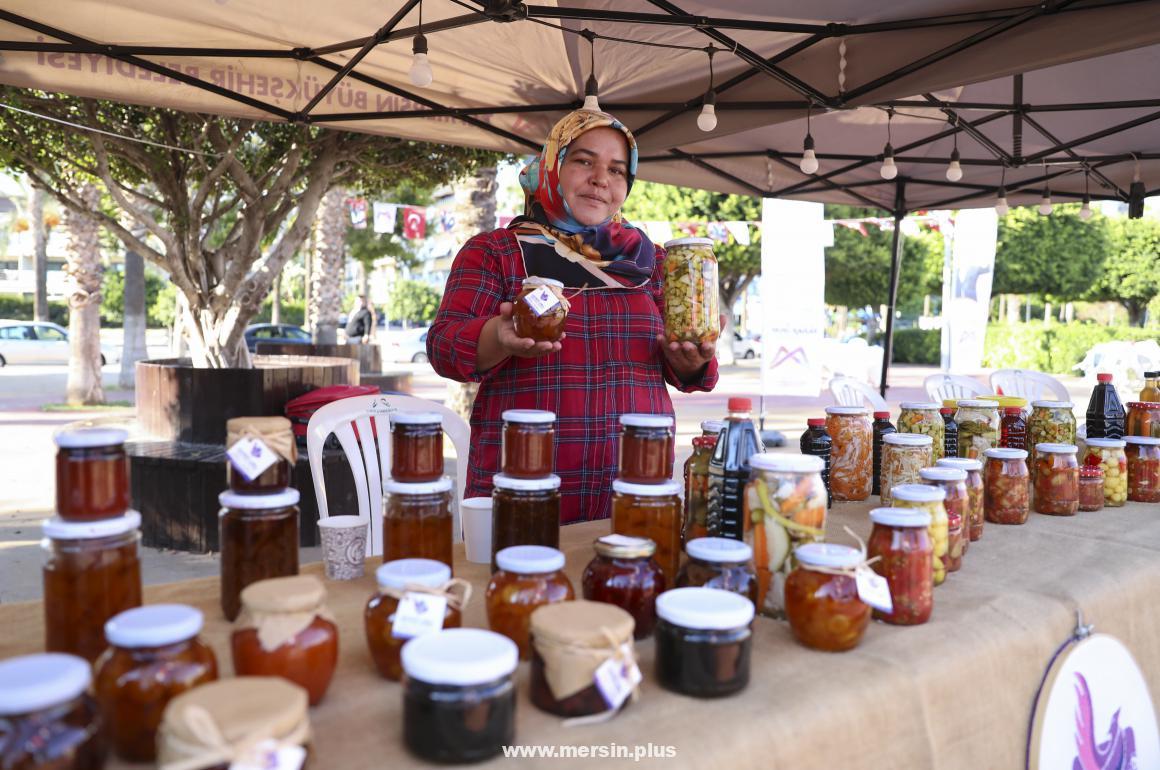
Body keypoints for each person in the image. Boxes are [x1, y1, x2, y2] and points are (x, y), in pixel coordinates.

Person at [427, 109, 719, 524]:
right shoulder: (497, 252)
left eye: (617, 170)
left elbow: (686, 367)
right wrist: (499, 336)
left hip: (635, 483)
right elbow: (443, 347)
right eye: (584, 161)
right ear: (553, 165)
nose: (601, 179)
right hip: (524, 484)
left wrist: (691, 361)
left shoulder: (652, 262)